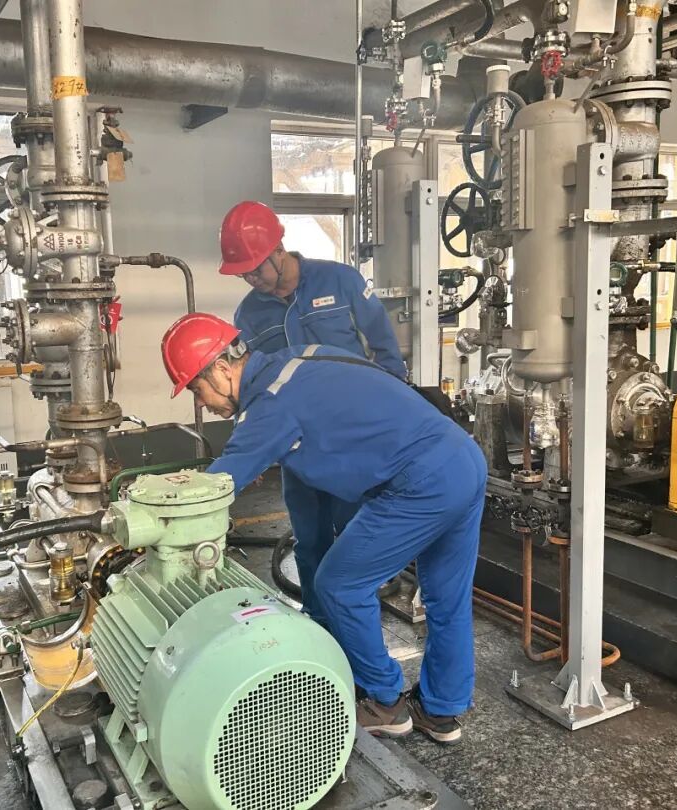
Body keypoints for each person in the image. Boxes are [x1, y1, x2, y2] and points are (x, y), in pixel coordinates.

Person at [160, 312, 487, 744]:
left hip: (421, 483)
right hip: (464, 459)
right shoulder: (300, 359)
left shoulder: (269, 405)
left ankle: (385, 702)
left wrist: (156, 517)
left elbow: (214, 489)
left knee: (340, 585)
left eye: (196, 389)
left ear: (221, 369)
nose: (201, 403)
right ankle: (441, 710)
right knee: (447, 598)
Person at [217, 200, 407, 627]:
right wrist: (252, 446)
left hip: (352, 441)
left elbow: (385, 349)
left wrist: (390, 418)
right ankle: (319, 622)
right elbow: (249, 386)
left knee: (356, 533)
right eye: (243, 274)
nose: (251, 280)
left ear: (278, 249)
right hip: (297, 446)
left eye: (255, 269)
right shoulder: (249, 314)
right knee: (309, 537)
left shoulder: (340, 281)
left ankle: (360, 623)